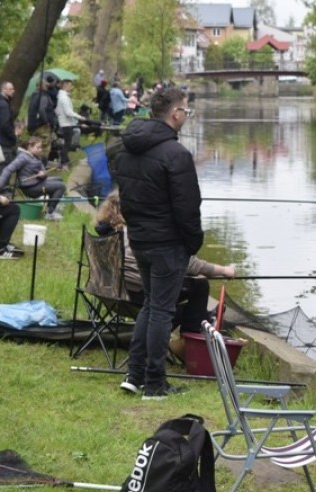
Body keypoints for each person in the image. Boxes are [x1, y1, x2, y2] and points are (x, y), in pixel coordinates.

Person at [114, 87, 203, 400]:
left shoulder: (126, 149)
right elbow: (188, 207)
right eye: (186, 111)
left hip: (138, 238)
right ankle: (154, 384)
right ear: (176, 113)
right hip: (167, 244)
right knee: (162, 310)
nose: (186, 117)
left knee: (151, 305)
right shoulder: (176, 155)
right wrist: (193, 242)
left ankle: (134, 375)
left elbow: (125, 198)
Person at [94, 190, 235, 361]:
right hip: (138, 295)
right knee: (199, 284)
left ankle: (202, 321)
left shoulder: (106, 232)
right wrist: (224, 270)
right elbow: (189, 264)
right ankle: (186, 342)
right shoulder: (138, 233)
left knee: (185, 291)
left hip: (109, 293)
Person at [0, 136, 66, 221]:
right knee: (61, 186)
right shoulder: (23, 158)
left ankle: (51, 207)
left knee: (59, 180)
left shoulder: (37, 157)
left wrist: (43, 174)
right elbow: (7, 170)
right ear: (30, 147)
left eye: (41, 147)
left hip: (38, 182)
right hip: (31, 188)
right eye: (38, 147)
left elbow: (43, 171)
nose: (40, 150)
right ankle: (50, 213)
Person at [54, 79, 86, 170]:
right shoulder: (63, 98)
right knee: (66, 145)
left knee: (66, 144)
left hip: (66, 123)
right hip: (66, 124)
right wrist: (79, 117)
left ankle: (65, 161)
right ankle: (63, 164)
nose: (71, 87)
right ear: (65, 85)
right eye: (70, 85)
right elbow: (68, 112)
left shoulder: (63, 96)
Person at [27, 76, 58, 161]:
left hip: (33, 126)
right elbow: (42, 109)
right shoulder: (43, 96)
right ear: (42, 86)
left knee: (34, 147)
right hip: (42, 127)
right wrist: (46, 121)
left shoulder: (34, 95)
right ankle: (41, 166)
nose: (48, 86)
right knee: (43, 148)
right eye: (46, 84)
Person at [0, 81, 21, 167]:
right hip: (4, 143)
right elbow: (5, 124)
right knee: (4, 170)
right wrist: (13, 135)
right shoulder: (3, 105)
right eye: (11, 89)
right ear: (3, 89)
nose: (13, 91)